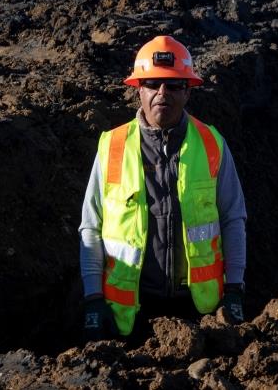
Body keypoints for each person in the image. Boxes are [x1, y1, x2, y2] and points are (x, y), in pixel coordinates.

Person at [79, 35, 248, 341]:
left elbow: (233, 219)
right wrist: (93, 298)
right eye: (152, 83)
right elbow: (91, 228)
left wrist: (235, 288)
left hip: (201, 313)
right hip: (129, 315)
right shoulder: (112, 147)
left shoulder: (211, 144)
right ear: (138, 90)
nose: (162, 93)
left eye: (174, 85)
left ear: (188, 91)